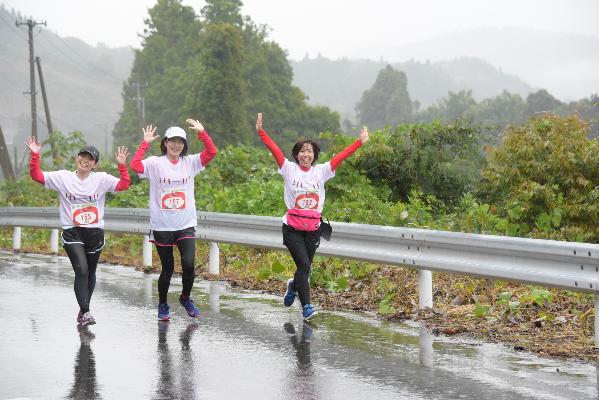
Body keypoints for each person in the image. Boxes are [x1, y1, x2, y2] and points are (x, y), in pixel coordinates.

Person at [255, 113, 368, 320]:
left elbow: (341, 156)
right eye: (302, 151)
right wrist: (262, 132)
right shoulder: (288, 169)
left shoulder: (322, 171)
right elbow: (275, 150)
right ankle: (307, 306)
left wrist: (358, 143)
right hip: (292, 229)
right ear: (297, 155)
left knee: (303, 270)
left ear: (314, 155)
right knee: (304, 266)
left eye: (309, 151)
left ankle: (293, 285)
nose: (306, 154)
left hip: (313, 228)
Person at [25, 138, 131, 326]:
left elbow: (124, 185)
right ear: (77, 158)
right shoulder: (63, 177)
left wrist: (122, 166)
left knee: (90, 272)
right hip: (72, 231)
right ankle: (87, 311)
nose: (85, 160)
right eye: (83, 156)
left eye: (90, 159)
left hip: (94, 232)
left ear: (95, 164)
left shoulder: (101, 179)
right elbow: (37, 176)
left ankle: (83, 311)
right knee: (81, 270)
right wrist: (35, 155)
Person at [130, 119, 217, 321]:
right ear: (165, 143)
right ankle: (162, 304)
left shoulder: (191, 162)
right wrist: (144, 143)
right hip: (162, 225)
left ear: (184, 145)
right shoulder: (154, 163)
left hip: (185, 223)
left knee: (189, 265)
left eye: (180, 141)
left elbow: (211, 152)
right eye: (172, 141)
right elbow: (135, 165)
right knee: (167, 268)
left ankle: (186, 297)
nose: (176, 145)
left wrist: (203, 132)